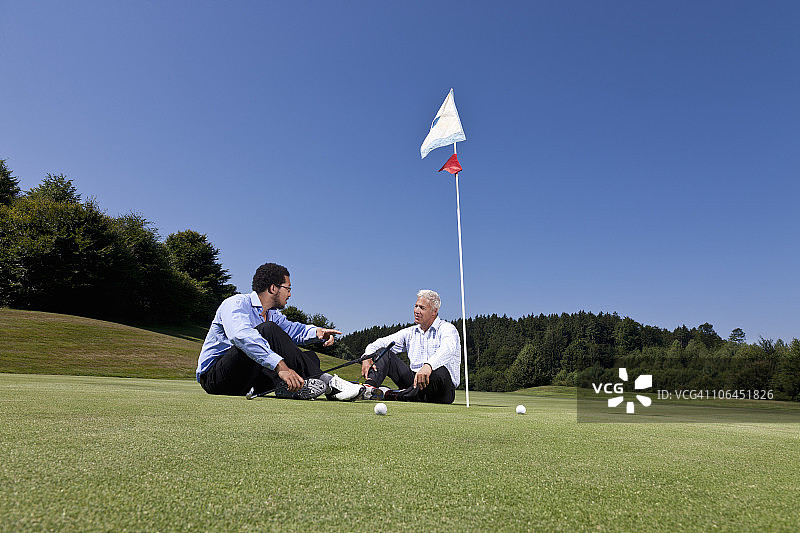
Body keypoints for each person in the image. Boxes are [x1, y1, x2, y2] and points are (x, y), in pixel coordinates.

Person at [196, 262, 364, 401]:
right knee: (266, 330)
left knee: (310, 357)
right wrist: (280, 366)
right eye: (288, 288)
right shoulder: (235, 304)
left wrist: (317, 332)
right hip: (217, 379)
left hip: (249, 379)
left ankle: (286, 388)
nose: (290, 294)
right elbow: (242, 337)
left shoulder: (272, 315)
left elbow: (292, 330)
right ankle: (330, 385)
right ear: (273, 288)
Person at [360, 290, 461, 404]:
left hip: (441, 387)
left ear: (434, 311)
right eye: (416, 306)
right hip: (413, 382)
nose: (416, 311)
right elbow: (379, 343)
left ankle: (391, 394)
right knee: (384, 352)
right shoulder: (410, 332)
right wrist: (367, 357)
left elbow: (448, 349)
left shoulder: (447, 328)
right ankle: (368, 389)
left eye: (422, 308)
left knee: (440, 372)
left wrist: (429, 366)